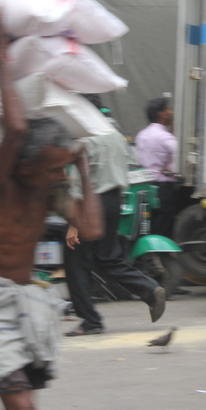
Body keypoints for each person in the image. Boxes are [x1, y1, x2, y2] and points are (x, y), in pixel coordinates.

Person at [0, 12, 103, 410]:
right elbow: (16, 128)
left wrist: (81, 168)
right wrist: (0, 48)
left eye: (62, 169)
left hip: (26, 302)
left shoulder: (48, 193)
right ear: (24, 166)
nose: (59, 177)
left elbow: (91, 228)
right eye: (53, 169)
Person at [63, 96, 166, 336]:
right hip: (114, 201)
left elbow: (80, 180)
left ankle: (90, 321)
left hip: (90, 203)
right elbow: (129, 165)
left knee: (75, 260)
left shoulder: (84, 138)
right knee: (107, 257)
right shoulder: (116, 135)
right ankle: (149, 289)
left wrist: (74, 222)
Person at [134, 97, 178, 238]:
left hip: (145, 186)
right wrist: (172, 171)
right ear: (161, 114)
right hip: (163, 189)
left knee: (147, 226)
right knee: (163, 227)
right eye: (168, 109)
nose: (171, 112)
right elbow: (180, 157)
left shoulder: (141, 135)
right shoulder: (165, 137)